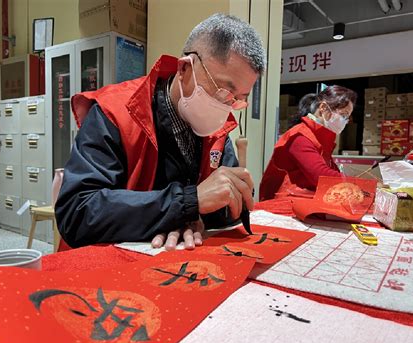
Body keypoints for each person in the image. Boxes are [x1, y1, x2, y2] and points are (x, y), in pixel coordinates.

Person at [55, 14, 266, 251]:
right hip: (100, 267)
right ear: (185, 68)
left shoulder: (218, 129)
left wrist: (223, 200)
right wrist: (188, 203)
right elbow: (77, 212)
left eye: (238, 100)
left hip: (170, 261)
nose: (227, 107)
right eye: (223, 92)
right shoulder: (115, 112)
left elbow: (222, 212)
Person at [259, 85, 357, 201]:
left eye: (347, 117)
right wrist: (357, 184)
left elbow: (333, 171)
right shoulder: (300, 136)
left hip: (304, 201)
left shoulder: (321, 138)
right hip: (285, 203)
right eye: (343, 115)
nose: (345, 121)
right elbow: (321, 176)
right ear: (323, 108)